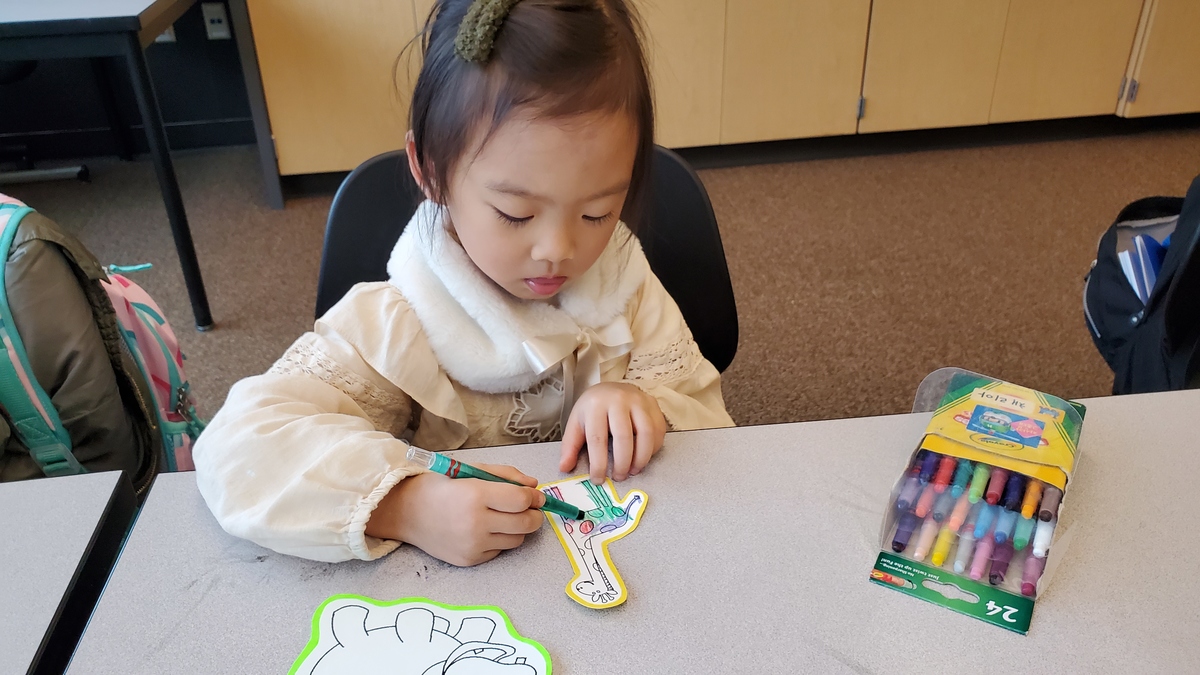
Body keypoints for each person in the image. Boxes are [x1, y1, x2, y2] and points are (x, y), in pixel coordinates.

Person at [194, 0, 734, 566]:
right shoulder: (396, 321)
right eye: (515, 214)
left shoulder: (627, 290)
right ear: (430, 169)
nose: (558, 250)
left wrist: (648, 407)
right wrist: (404, 505)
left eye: (597, 212)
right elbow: (239, 447)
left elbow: (714, 427)